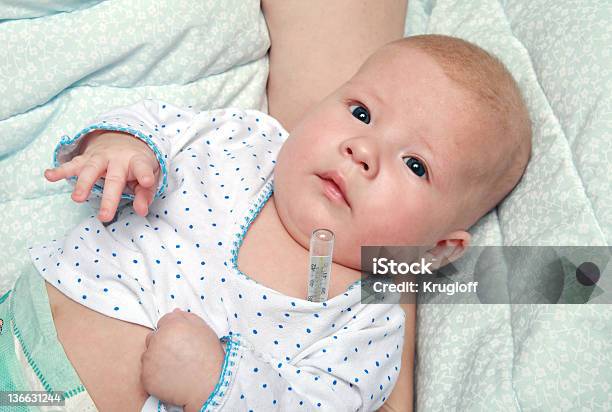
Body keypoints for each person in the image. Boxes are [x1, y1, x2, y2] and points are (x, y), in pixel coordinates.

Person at [34, 34, 532, 411]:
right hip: (24, 333)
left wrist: (217, 382)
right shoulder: (245, 141)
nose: (362, 151)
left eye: (415, 164)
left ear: (438, 251)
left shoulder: (366, 326)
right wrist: (123, 149)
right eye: (361, 112)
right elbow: (160, 128)